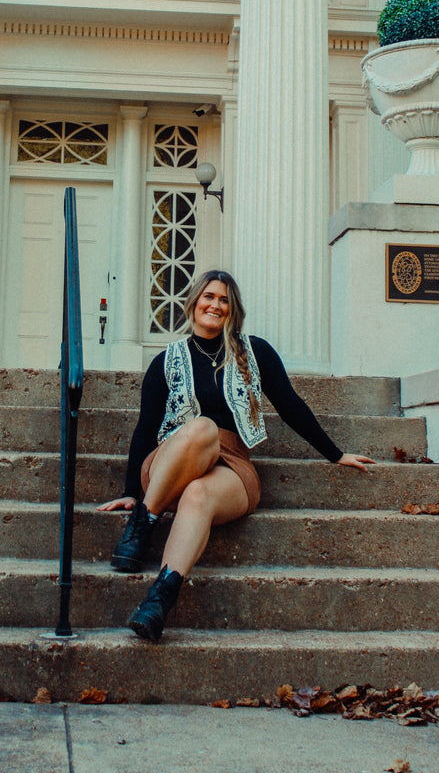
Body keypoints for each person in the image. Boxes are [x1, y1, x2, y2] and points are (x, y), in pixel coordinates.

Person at [98, 269, 376, 641]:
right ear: (194, 302)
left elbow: (290, 405)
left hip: (231, 465)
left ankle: (158, 602)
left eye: (224, 299)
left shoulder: (254, 352)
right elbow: (145, 428)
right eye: (209, 296)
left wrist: (335, 454)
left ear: (233, 309)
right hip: (171, 463)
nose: (215, 304)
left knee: (199, 495)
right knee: (201, 428)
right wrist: (132, 491)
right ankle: (143, 521)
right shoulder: (166, 360)